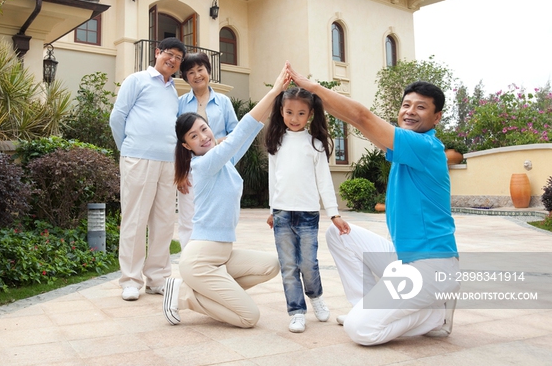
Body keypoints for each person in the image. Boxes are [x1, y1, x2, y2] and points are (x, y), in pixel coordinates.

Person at [287, 63, 459, 346]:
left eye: (421, 107)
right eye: (406, 105)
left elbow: (362, 116)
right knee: (340, 235)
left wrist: (312, 88)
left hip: (431, 266)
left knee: (360, 331)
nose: (410, 112)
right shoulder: (408, 146)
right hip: (404, 257)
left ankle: (433, 315)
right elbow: (356, 120)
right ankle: (366, 305)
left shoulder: (425, 147)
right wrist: (316, 98)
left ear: (436, 116)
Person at [162, 65, 290, 328]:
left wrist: (277, 98)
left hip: (223, 254)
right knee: (248, 317)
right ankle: (186, 295)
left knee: (271, 266)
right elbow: (240, 133)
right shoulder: (205, 164)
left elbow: (247, 134)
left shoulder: (223, 162)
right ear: (186, 146)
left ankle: (198, 291)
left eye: (204, 130)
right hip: (201, 259)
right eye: (194, 136)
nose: (203, 137)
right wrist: (275, 90)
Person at [264, 86, 349, 333]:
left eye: (301, 113)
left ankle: (316, 297)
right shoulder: (276, 142)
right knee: (288, 266)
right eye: (289, 112)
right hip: (281, 213)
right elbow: (274, 179)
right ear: (281, 111)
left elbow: (324, 181)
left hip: (307, 214)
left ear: (310, 114)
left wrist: (334, 213)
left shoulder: (315, 144)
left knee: (308, 264)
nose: (294, 118)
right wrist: (272, 209)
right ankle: (297, 311)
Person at [109, 37, 187, 301]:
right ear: (157, 53)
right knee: (135, 219)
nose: (173, 60)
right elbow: (117, 118)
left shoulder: (173, 90)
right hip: (138, 159)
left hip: (169, 162)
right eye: (169, 54)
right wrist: (128, 148)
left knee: (164, 222)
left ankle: (157, 278)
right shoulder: (137, 80)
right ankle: (130, 280)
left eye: (178, 57)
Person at [177, 51, 238, 248]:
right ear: (186, 77)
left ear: (208, 71)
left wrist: (217, 144)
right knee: (188, 221)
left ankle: (215, 262)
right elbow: (177, 141)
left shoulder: (223, 102)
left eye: (200, 69)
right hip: (192, 171)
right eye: (191, 72)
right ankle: (190, 265)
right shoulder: (180, 104)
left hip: (220, 169)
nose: (197, 75)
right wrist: (180, 173)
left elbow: (237, 136)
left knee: (218, 219)